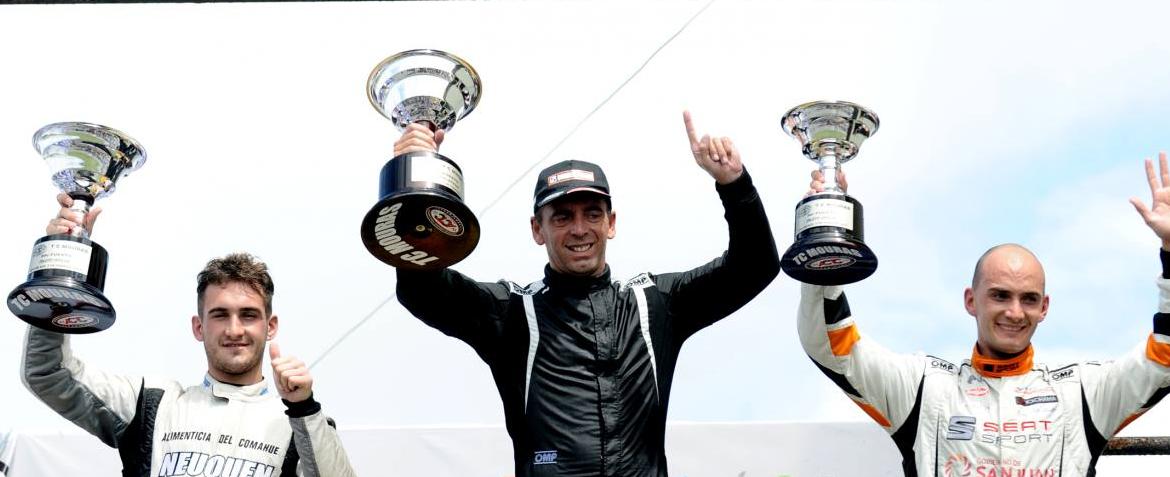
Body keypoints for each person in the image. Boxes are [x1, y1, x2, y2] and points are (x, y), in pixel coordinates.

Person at [392, 111, 780, 476]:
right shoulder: (513, 314)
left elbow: (754, 267)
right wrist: (416, 183)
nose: (579, 229)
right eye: (562, 216)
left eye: (592, 213)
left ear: (611, 223)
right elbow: (422, 289)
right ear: (537, 229)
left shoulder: (654, 304)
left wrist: (734, 184)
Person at [798, 155, 1170, 476]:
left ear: (1044, 308)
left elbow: (1164, 358)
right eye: (1000, 295)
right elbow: (832, 346)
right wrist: (827, 238)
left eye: (1028, 299)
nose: (1014, 312)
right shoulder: (924, 388)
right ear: (970, 301)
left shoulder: (1083, 393)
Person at [20, 194, 356, 477]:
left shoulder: (302, 421)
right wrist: (61, 267)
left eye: (249, 315)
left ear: (271, 326)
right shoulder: (151, 403)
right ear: (199, 327)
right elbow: (49, 373)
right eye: (220, 315)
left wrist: (303, 407)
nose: (234, 329)